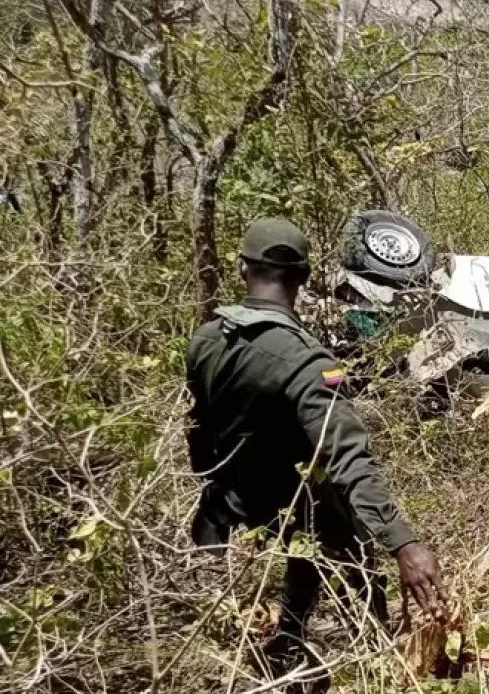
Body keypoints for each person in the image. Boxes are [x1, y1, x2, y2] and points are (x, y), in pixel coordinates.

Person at [185, 217, 444, 680]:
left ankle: (282, 647)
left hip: (230, 514)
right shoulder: (309, 363)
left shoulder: (206, 340)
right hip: (297, 516)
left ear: (243, 268)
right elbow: (347, 458)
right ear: (304, 278)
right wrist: (403, 542)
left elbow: (202, 433)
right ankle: (366, 665)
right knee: (361, 603)